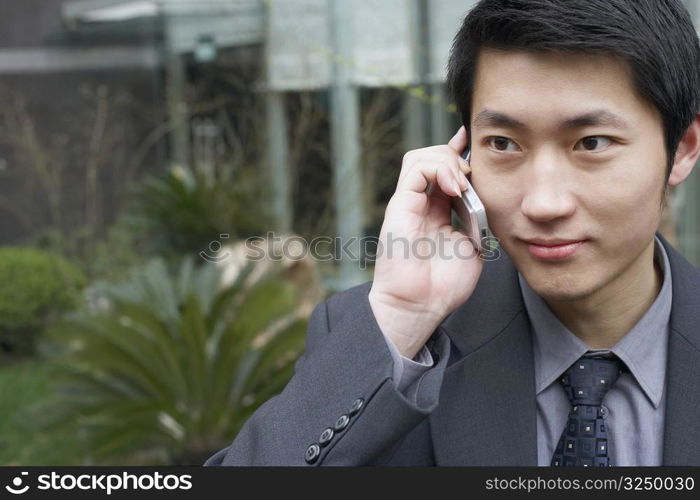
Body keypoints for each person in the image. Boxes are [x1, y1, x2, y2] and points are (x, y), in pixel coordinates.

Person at [205, 0, 700, 466]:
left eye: (592, 143)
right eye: (503, 143)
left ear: (681, 148)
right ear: (462, 157)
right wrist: (403, 317)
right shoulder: (394, 338)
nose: (544, 203)